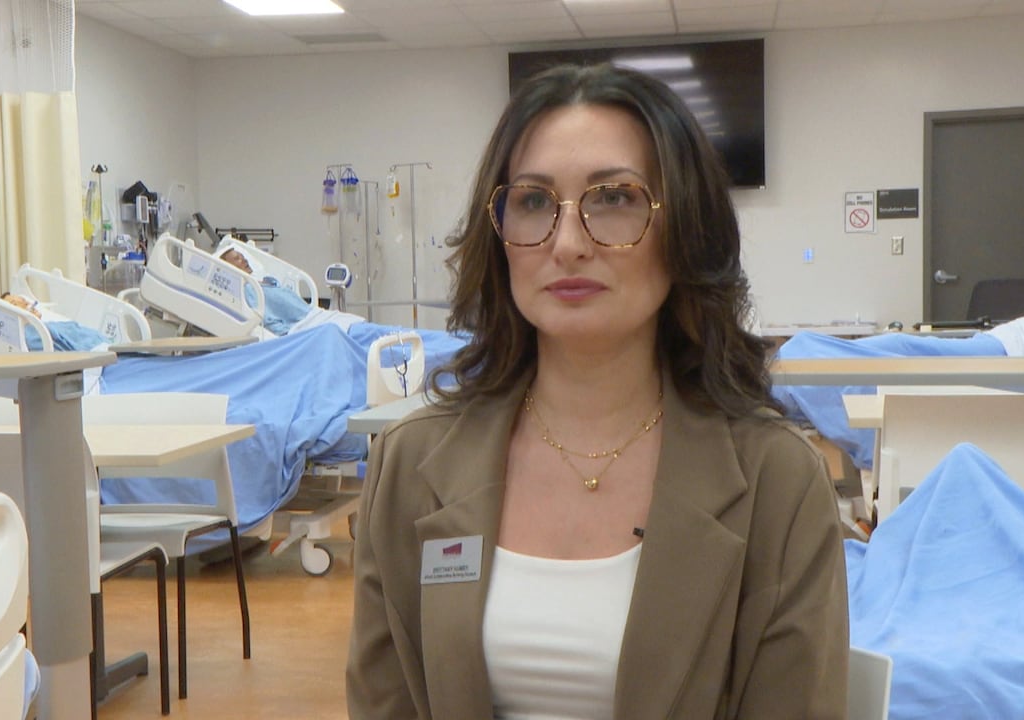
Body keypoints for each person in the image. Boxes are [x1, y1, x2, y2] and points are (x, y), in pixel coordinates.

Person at [346, 64, 848, 719]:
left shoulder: (777, 483)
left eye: (614, 198)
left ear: (684, 228)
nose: (569, 243)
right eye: (532, 201)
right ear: (498, 238)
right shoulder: (408, 466)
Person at [774, 284, 1024, 471]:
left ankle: (780, 382)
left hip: (1014, 350)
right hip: (1012, 341)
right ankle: (781, 380)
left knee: (899, 351)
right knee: (897, 348)